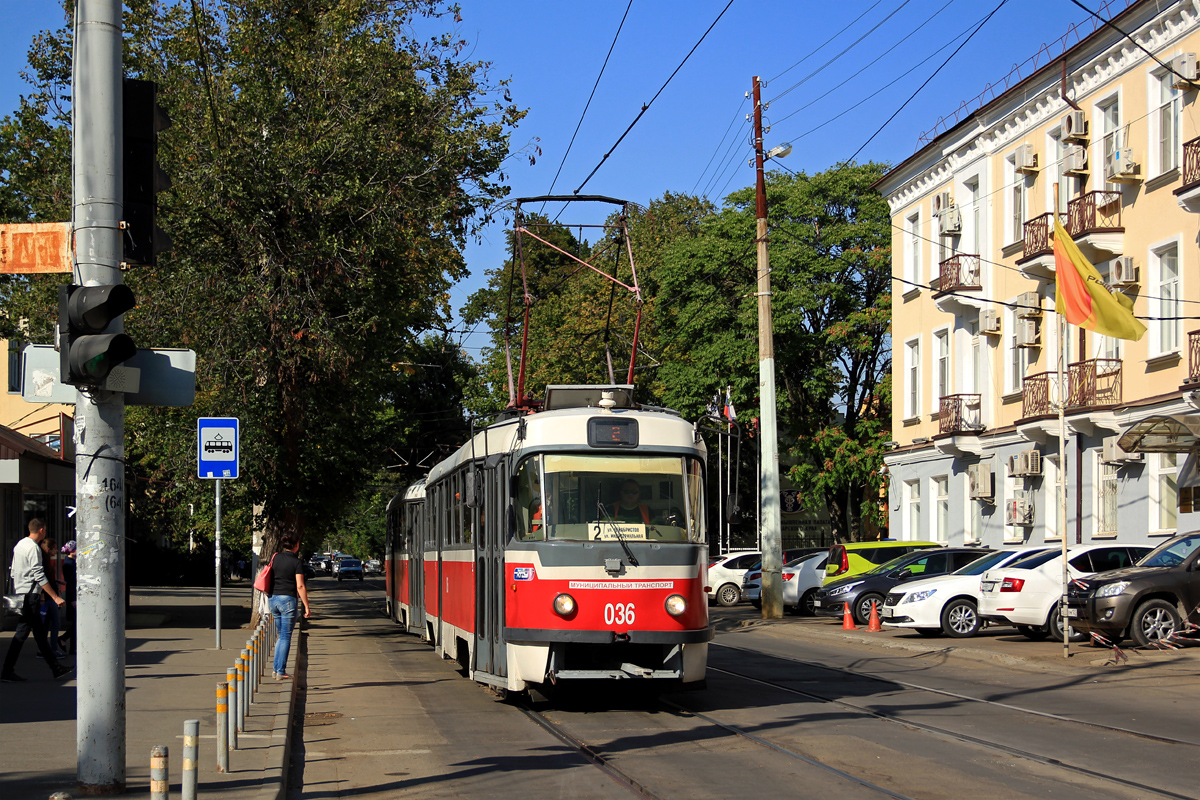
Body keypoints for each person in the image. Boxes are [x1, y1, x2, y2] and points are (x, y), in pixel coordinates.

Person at [2, 519, 71, 682]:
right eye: (45, 530)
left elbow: (13, 571)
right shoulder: (34, 548)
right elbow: (39, 575)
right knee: (29, 634)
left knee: (33, 634)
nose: (45, 532)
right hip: (30, 596)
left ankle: (55, 668)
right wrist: (54, 596)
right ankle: (54, 668)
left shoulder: (19, 545)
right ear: (41, 530)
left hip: (22, 594)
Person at [267, 533, 311, 680]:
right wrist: (306, 606)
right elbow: (300, 585)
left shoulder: (275, 558)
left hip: (273, 599)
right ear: (296, 545)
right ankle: (280, 671)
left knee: (281, 636)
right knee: (286, 636)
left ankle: (275, 669)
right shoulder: (296, 562)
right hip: (287, 600)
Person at [38, 537, 65, 659]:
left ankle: (43, 650)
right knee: (55, 623)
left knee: (47, 623)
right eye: (54, 548)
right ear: (49, 549)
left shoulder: (46, 559)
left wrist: (56, 581)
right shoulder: (44, 561)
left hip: (49, 595)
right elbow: (42, 578)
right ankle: (53, 649)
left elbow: (47, 578)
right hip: (50, 597)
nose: (57, 551)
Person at [59, 540, 77, 654]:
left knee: (76, 622)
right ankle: (63, 639)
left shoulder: (70, 562)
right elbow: (70, 583)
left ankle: (72, 647)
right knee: (76, 623)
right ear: (72, 550)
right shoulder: (69, 564)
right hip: (73, 596)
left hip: (73, 595)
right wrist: (73, 599)